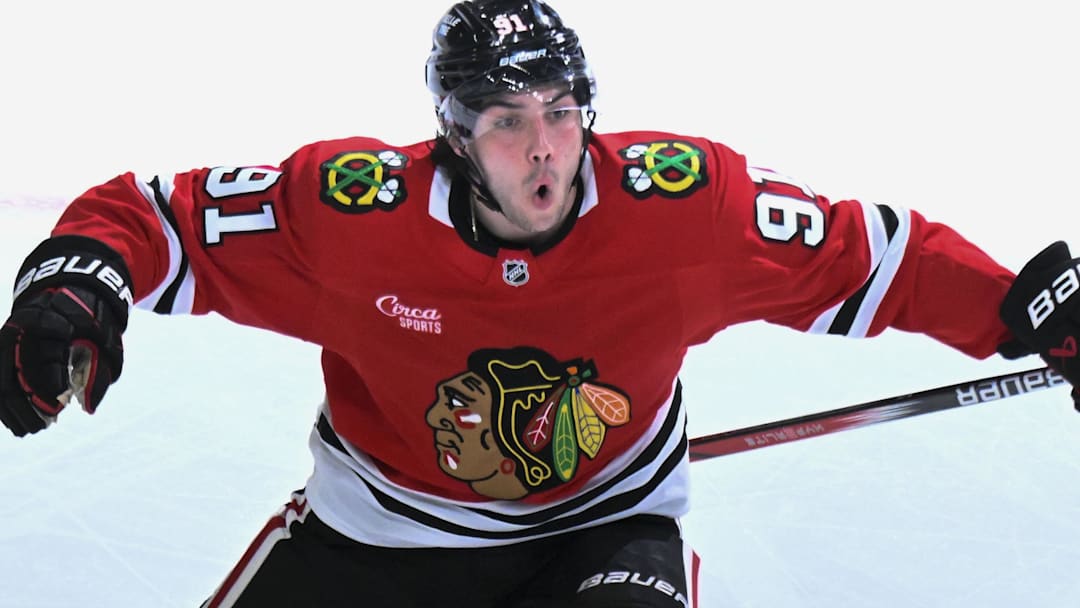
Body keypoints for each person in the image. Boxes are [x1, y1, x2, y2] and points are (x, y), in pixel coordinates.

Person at [1, 0, 1078, 605]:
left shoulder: (683, 207)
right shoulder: (351, 212)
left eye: (562, 110)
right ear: (455, 134)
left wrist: (1026, 308)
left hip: (608, 527)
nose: (545, 143)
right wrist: (73, 285)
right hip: (385, 533)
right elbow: (155, 216)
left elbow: (866, 256)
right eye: (508, 119)